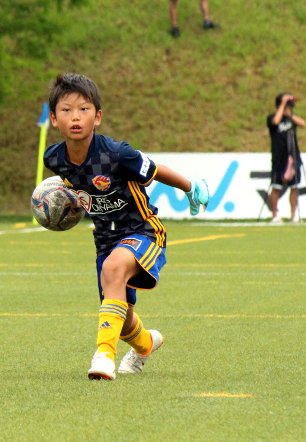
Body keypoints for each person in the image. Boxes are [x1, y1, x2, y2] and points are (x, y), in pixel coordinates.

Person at [44, 73, 209, 380]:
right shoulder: (54, 158)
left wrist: (190, 186)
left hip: (143, 231)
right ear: (54, 119)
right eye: (66, 110)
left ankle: (103, 356)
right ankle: (146, 344)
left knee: (114, 269)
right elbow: (73, 186)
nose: (75, 117)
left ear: (98, 117)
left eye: (84, 109)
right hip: (104, 240)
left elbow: (155, 169)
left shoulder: (117, 154)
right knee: (122, 317)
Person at [267, 93, 306, 223]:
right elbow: (275, 122)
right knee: (276, 187)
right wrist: (282, 105)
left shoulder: (291, 119)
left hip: (293, 157)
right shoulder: (272, 117)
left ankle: (294, 215)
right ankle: (275, 215)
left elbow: (303, 123)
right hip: (279, 158)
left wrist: (290, 115)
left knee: (294, 187)